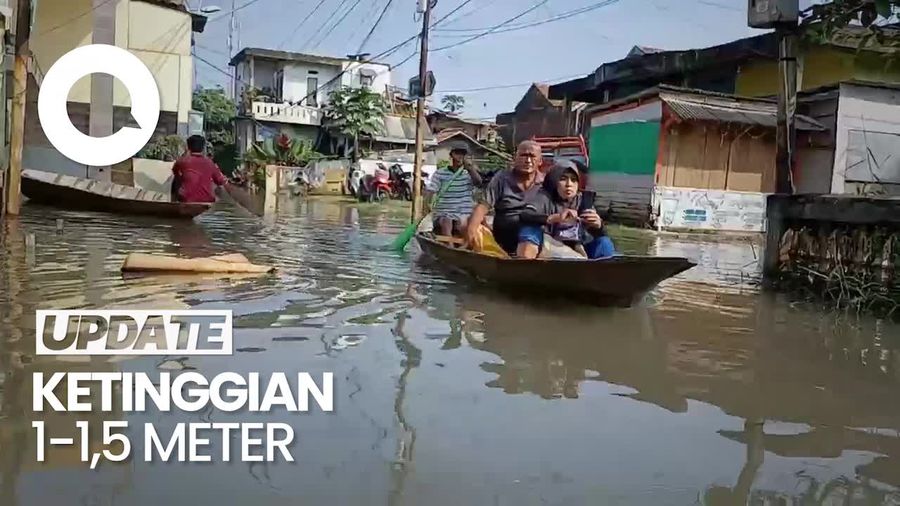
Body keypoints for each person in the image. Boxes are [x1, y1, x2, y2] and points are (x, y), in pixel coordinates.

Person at [517, 159, 616, 259]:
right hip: (548, 248)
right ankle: (526, 267)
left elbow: (597, 234)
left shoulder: (583, 201)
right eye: (563, 179)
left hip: (577, 251)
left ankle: (603, 272)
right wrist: (552, 218)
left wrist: (599, 226)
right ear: (554, 180)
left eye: (573, 180)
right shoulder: (544, 197)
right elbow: (525, 215)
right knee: (529, 230)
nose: (569, 184)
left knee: (604, 242)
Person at [465, 140, 544, 255]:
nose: (528, 161)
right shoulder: (502, 178)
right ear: (515, 158)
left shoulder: (545, 183)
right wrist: (471, 229)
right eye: (523, 155)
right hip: (504, 236)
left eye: (532, 157)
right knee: (473, 226)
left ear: (540, 161)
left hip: (532, 237)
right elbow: (483, 206)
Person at [425, 142, 482, 237]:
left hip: (463, 213)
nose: (460, 157)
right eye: (457, 153)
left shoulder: (469, 174)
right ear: (451, 155)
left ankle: (462, 247)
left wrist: (470, 169)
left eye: (463, 154)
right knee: (446, 221)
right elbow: (431, 190)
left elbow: (478, 182)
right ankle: (449, 245)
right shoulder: (440, 173)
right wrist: (427, 204)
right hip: (444, 213)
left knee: (462, 224)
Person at [171, 135, 228, 203]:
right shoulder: (210, 162)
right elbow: (220, 181)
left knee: (175, 178)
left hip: (186, 199)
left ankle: (173, 202)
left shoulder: (182, 161)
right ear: (203, 148)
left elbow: (175, 172)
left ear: (188, 147)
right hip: (207, 200)